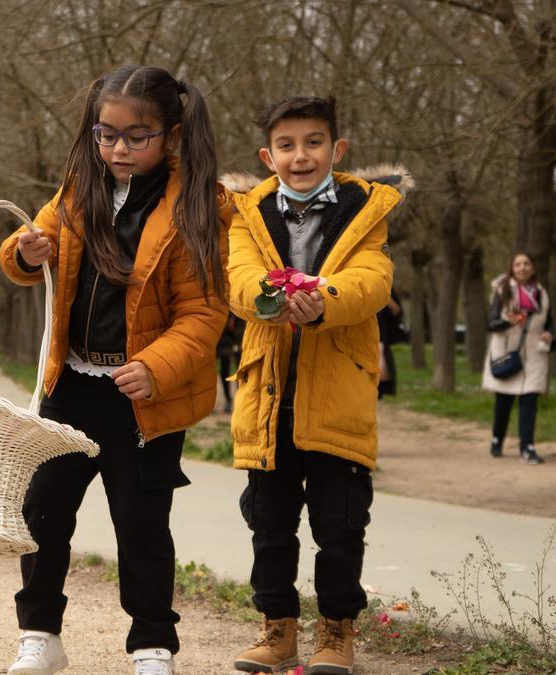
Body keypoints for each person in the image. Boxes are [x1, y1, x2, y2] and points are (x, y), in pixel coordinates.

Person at [0, 64, 231, 675]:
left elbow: (205, 311)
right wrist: (23, 254)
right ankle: (40, 635)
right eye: (105, 134)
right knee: (42, 514)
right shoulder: (78, 188)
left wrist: (154, 367)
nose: (118, 148)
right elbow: (26, 249)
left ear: (172, 135)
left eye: (135, 136)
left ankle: (153, 643)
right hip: (70, 386)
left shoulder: (200, 208)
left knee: (141, 525)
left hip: (144, 399)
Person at [225, 95, 407, 675]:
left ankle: (337, 632)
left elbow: (372, 281)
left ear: (337, 149)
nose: (300, 155)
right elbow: (238, 276)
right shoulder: (246, 212)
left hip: (339, 392)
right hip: (269, 392)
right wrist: (270, 297)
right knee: (270, 523)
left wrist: (322, 301)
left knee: (340, 524)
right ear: (268, 154)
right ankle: (277, 629)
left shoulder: (366, 211)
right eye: (286, 145)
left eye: (312, 142)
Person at [481, 251, 556, 464]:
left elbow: (549, 321)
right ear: (512, 268)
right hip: (507, 351)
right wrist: (510, 320)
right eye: (518, 264)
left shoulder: (541, 293)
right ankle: (497, 438)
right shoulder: (502, 289)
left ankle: (527, 447)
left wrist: (549, 333)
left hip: (534, 354)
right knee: (503, 401)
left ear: (533, 268)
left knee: (529, 399)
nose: (522, 268)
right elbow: (491, 323)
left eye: (526, 264)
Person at [376, 287, 406, 398]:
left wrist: (385, 296)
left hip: (381, 336)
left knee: (382, 369)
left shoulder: (387, 288)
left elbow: (397, 312)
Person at [217, 313, 247, 413]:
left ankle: (241, 399)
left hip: (239, 340)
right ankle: (228, 399)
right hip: (224, 341)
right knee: (225, 370)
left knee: (241, 371)